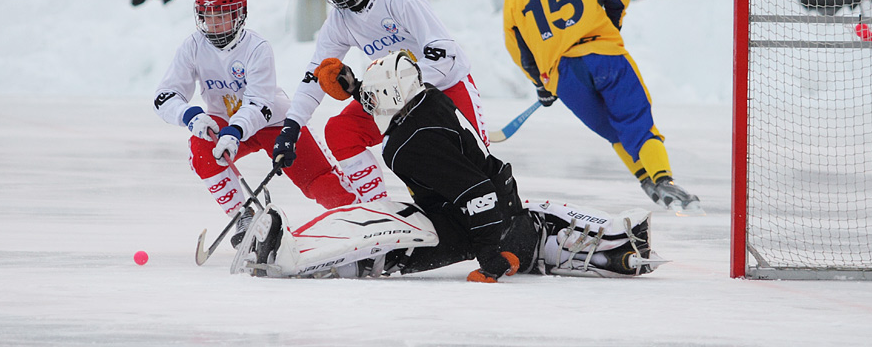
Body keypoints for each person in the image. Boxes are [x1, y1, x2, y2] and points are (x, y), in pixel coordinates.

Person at [232, 50, 663, 281]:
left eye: (371, 97)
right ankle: (610, 241)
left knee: (393, 242)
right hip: (478, 203)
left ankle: (293, 258)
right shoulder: (428, 100)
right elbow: (391, 90)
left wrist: (497, 254)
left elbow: (476, 196)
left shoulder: (411, 143)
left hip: (467, 220)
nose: (369, 103)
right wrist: (353, 83)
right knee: (396, 222)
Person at [501, 0, 703, 214]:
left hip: (566, 75)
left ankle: (645, 180)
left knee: (613, 131)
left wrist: (541, 84)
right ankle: (664, 180)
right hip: (606, 58)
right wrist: (609, 26)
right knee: (636, 123)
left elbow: (518, 50)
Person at [271, 0, 489, 202]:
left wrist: (398, 85)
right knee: (341, 131)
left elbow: (445, 54)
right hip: (391, 97)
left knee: (478, 166)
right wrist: (291, 127)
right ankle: (377, 210)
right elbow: (315, 75)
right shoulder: (339, 20)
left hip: (445, 87)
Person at [153, 0, 358, 248]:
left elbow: (260, 104)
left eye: (222, 15)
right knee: (201, 150)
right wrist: (190, 116)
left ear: (240, 15)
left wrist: (235, 131)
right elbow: (164, 96)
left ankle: (361, 217)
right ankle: (244, 215)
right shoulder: (192, 46)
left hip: (273, 124)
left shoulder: (257, 48)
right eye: (207, 15)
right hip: (225, 125)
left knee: (318, 183)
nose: (213, 23)